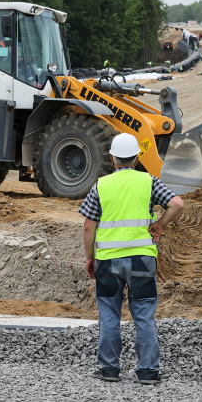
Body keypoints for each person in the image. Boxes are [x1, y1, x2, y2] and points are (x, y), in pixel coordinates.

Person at [79, 133, 184, 385]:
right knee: (144, 316)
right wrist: (159, 225)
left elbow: (88, 227)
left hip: (107, 261)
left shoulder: (101, 185)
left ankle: (109, 369)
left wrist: (89, 258)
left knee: (109, 315)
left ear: (113, 159)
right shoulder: (149, 181)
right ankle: (148, 371)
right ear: (136, 158)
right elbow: (177, 203)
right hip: (142, 260)